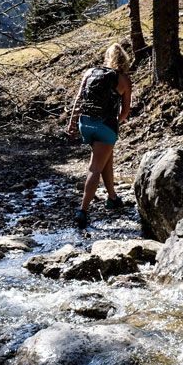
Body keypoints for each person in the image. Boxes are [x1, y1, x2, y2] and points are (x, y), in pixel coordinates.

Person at [66, 42, 132, 228]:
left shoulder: (90, 72)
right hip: (105, 126)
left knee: (105, 158)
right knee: (95, 168)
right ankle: (82, 211)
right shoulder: (124, 80)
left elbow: (78, 100)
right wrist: (114, 124)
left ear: (106, 57)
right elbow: (126, 111)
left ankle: (112, 198)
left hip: (84, 123)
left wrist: (73, 123)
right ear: (124, 59)